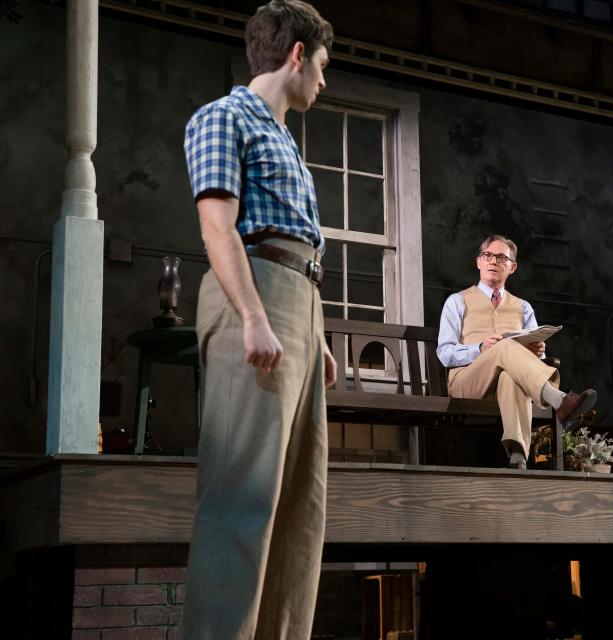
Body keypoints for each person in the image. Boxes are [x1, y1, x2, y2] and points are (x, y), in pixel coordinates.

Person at [181, 2, 336, 637]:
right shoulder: (224, 117)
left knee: (301, 508)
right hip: (256, 291)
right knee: (242, 499)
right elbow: (218, 225)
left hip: (300, 302)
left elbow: (303, 245)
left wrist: (317, 333)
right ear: (296, 54)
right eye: (322, 65)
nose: (324, 81)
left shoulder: (286, 142)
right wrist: (252, 315)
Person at [437, 235, 597, 469]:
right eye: (487, 255)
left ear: (512, 267)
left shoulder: (523, 307)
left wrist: (538, 352)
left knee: (509, 376)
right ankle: (559, 399)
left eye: (501, 257)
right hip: (467, 381)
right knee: (505, 345)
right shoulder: (457, 301)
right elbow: (444, 353)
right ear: (478, 262)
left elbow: (531, 361)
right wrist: (480, 349)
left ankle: (517, 457)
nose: (493, 261)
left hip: (509, 381)